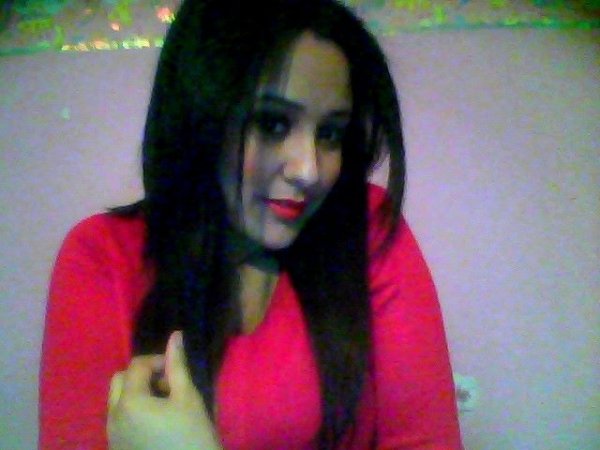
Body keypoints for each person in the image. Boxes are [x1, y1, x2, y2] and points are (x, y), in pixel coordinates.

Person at [39, 0, 463, 449]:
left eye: (329, 133)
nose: (308, 170)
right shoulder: (103, 256)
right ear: (199, 115)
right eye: (272, 124)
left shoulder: (365, 227)